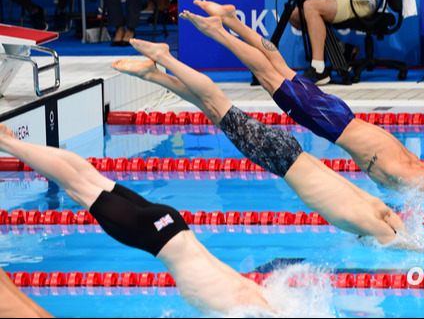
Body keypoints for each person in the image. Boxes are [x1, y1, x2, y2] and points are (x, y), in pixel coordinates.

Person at [110, 37, 424, 260]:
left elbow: (396, 228)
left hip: (289, 152)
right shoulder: (368, 221)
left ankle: (154, 73)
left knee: (214, 107)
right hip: (280, 156)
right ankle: (165, 59)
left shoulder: (376, 210)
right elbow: (402, 244)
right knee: (215, 103)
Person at [184, 0, 424, 206]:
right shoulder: (410, 172)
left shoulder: (413, 168)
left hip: (341, 119)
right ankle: (221, 28)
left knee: (278, 68)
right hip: (333, 120)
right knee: (269, 72)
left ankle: (231, 21)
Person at [0, 124, 272, 315]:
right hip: (156, 236)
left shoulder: (257, 299)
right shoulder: (247, 309)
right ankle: (6, 142)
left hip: (170, 223)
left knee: (89, 177)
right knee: (77, 186)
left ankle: (11, 141)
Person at [288, 0, 376, 85]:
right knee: (295, 15)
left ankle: (319, 69)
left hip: (360, 1)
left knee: (311, 6)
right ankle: (343, 49)